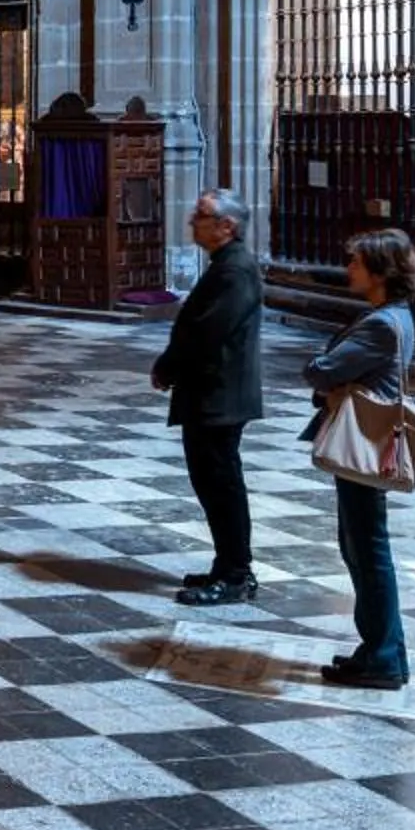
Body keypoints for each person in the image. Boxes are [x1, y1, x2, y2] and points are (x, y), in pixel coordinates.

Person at [302, 227, 415, 688]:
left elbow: (320, 370)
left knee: (366, 549)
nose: (348, 268)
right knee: (362, 545)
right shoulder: (394, 316)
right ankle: (383, 650)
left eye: (356, 262)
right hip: (370, 439)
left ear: (380, 272)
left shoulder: (380, 324)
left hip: (365, 441)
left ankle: (383, 657)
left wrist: (323, 372)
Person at [151, 189, 264, 605]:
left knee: (221, 485)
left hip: (220, 397)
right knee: (212, 484)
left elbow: (208, 333)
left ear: (226, 226)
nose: (191, 221)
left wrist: (169, 366)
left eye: (201, 215)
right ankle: (227, 564)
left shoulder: (235, 271)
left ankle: (236, 575)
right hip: (213, 394)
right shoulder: (226, 265)